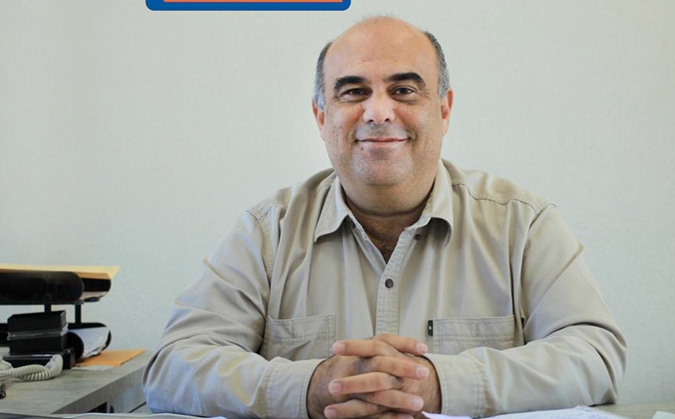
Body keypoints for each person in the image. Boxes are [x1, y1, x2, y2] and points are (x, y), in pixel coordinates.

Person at [143, 16, 626, 419]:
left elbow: (595, 355)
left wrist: (440, 384)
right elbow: (173, 367)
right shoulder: (267, 232)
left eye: (404, 90)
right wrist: (311, 387)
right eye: (354, 92)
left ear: (444, 110)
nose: (378, 111)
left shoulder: (524, 224)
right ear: (321, 117)